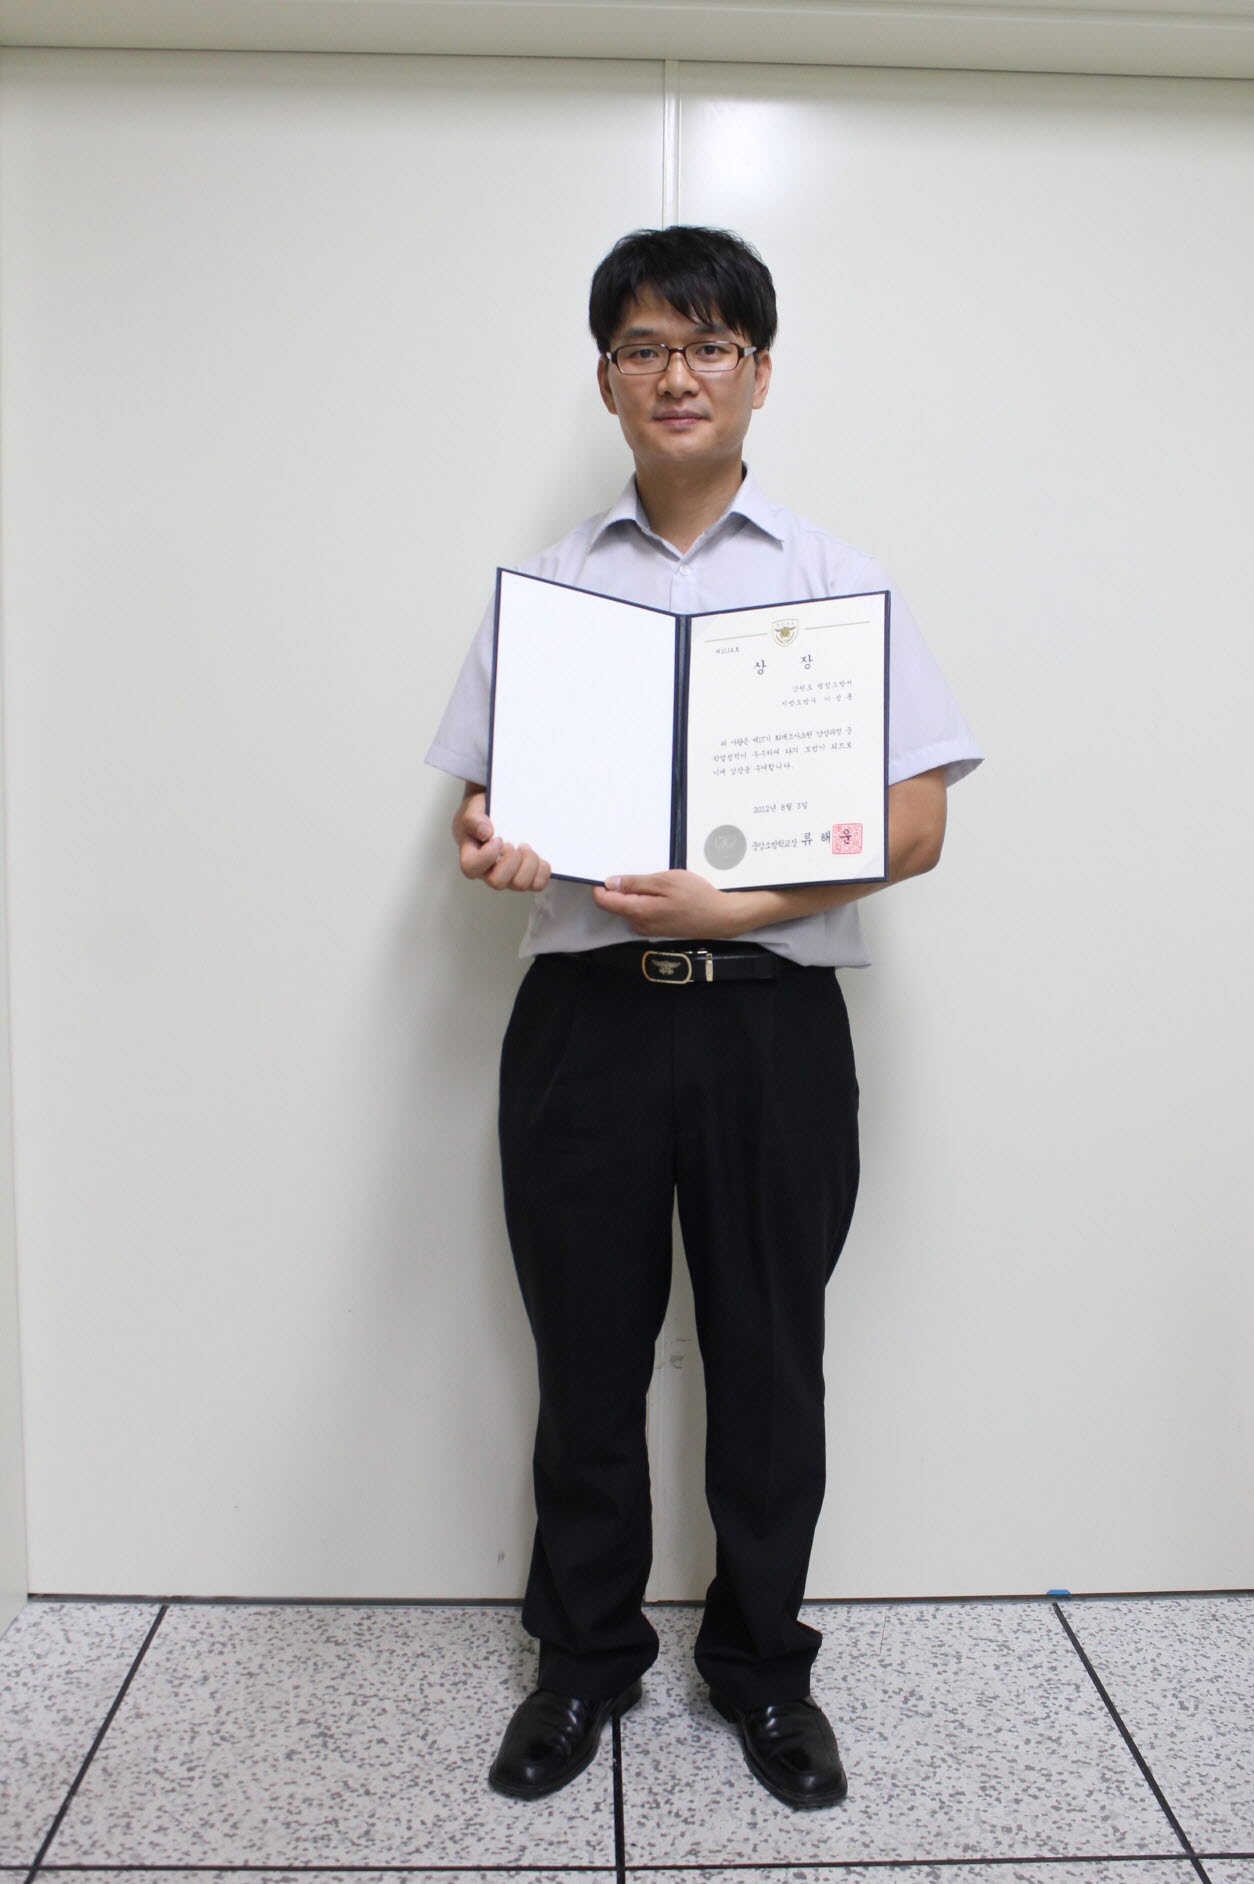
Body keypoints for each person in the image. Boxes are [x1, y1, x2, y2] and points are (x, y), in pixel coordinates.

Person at [426, 225, 981, 1810]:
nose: (679, 374)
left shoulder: (834, 581)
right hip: (582, 1022)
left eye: (710, 345)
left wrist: (733, 910)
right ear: (606, 375)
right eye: (646, 346)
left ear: (758, 373)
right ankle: (582, 1662)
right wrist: (493, 846)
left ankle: (761, 1672)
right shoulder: (545, 589)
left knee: (768, 1363)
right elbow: (479, 812)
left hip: (768, 1026)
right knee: (585, 1363)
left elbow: (916, 826)